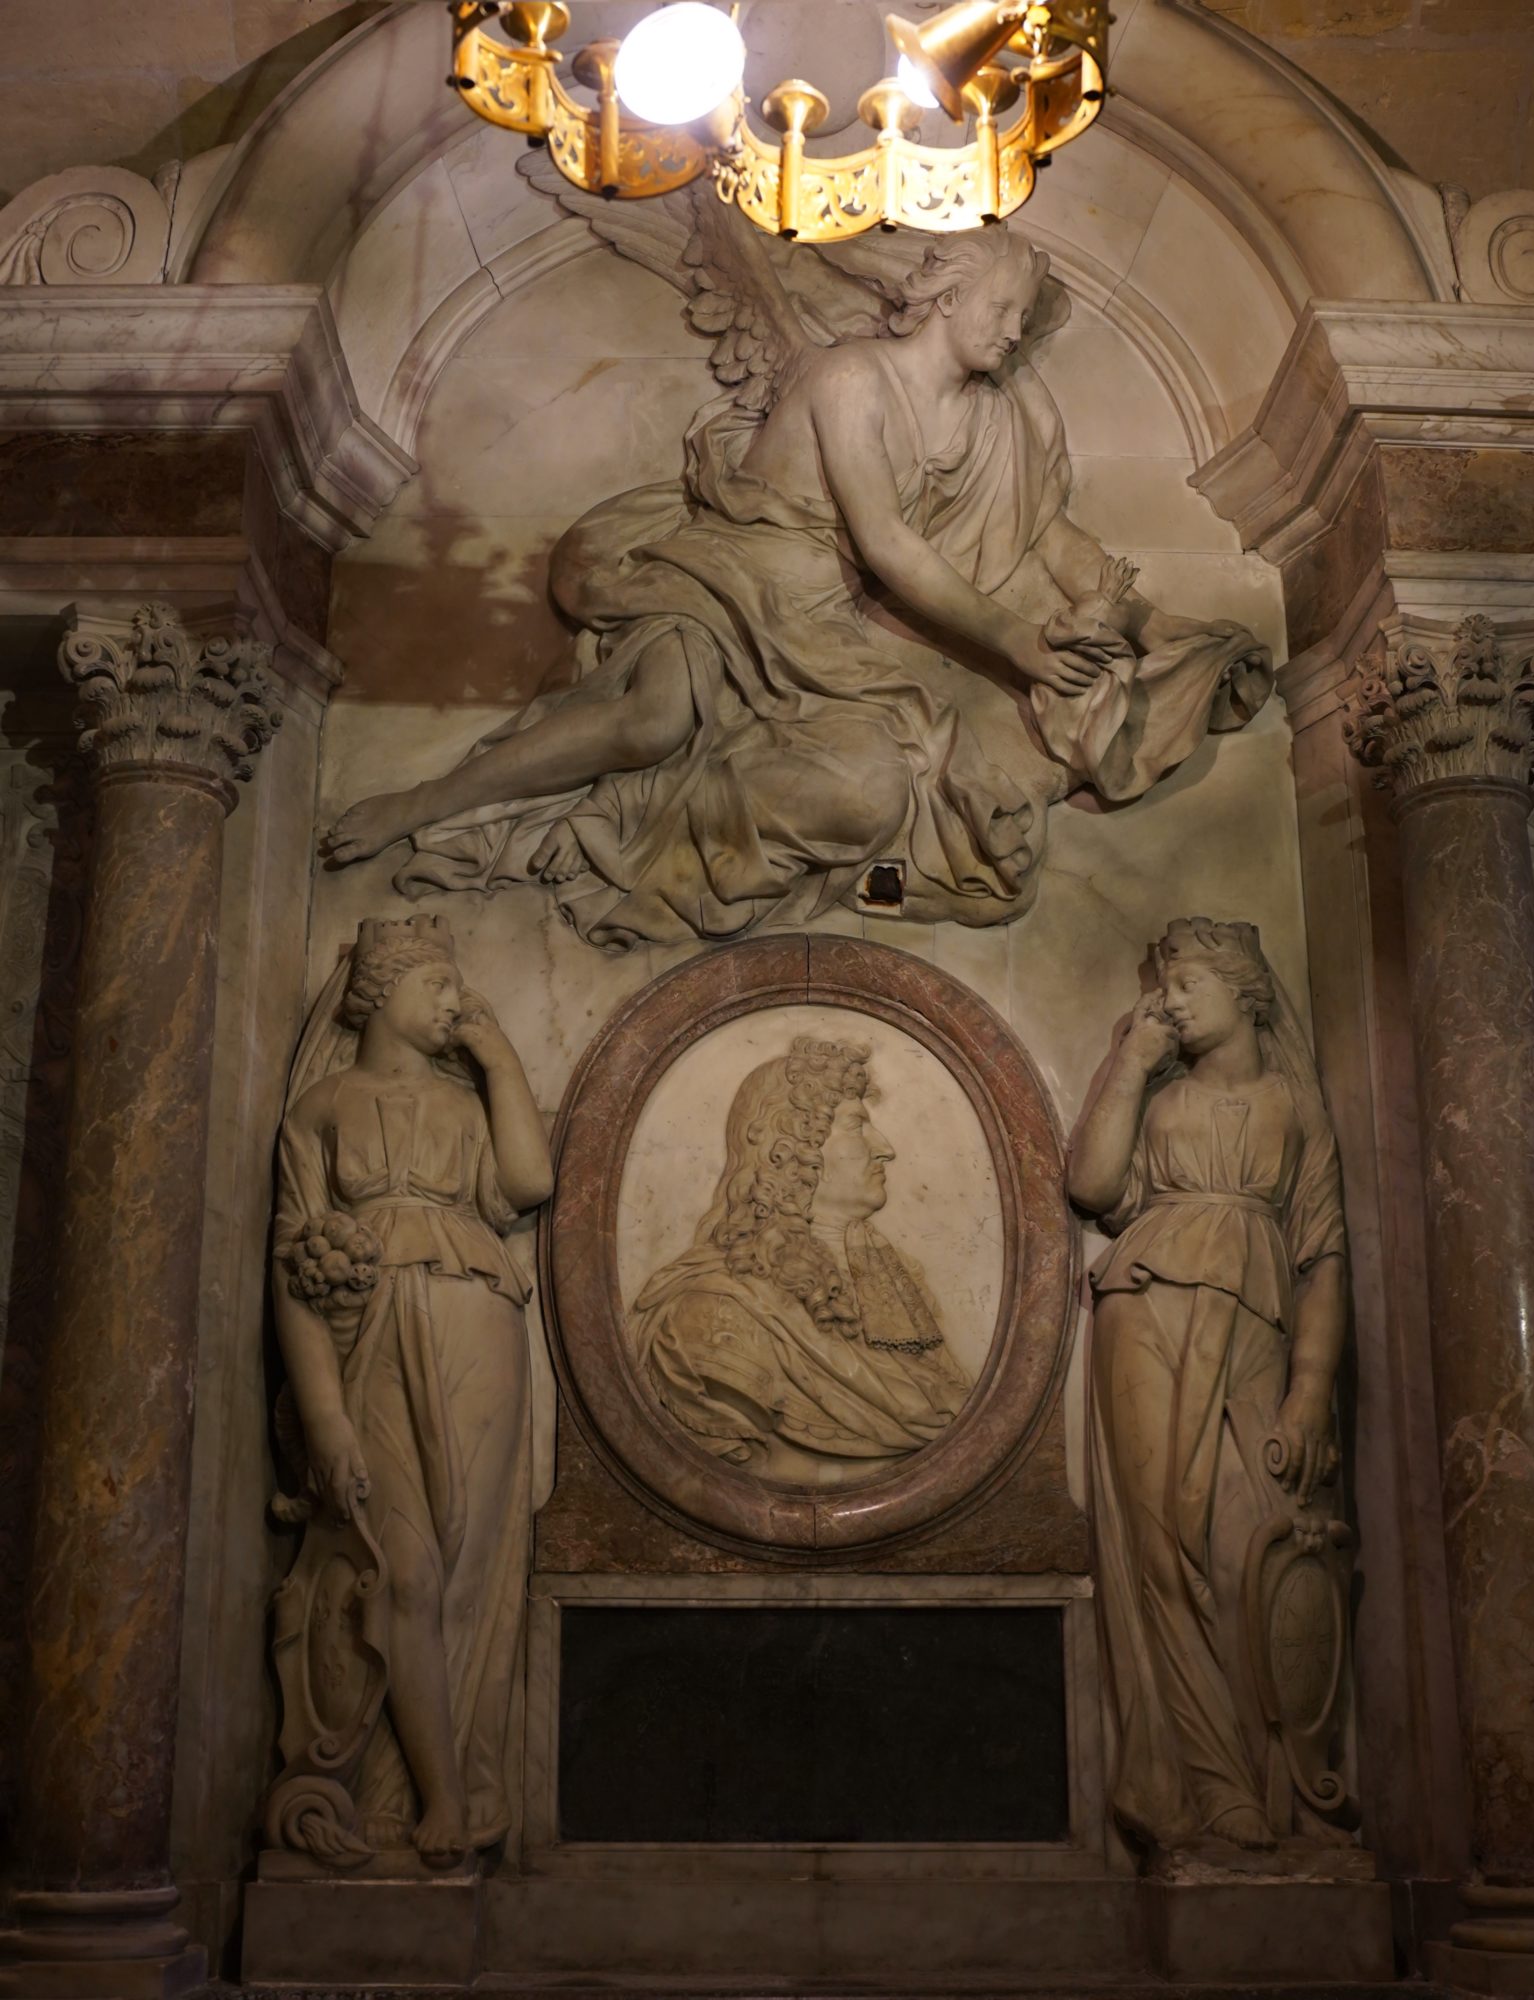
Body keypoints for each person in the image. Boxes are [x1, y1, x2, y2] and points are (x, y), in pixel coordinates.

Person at [324, 225, 1270, 948]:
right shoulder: (850, 375)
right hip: (733, 580)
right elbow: (890, 545)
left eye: (1026, 319)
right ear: (946, 295)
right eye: (1003, 310)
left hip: (831, 629)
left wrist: (1156, 624)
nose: (1016, 333)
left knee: (881, 790)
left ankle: (734, 840)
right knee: (653, 722)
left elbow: (1047, 535)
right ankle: (428, 804)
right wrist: (1018, 644)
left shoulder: (994, 422)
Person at [269, 914, 552, 1865]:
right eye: (437, 985)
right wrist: (325, 1420)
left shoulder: (470, 1109)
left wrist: (500, 1057)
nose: (454, 1002)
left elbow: (527, 1183)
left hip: (480, 1320)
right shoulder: (320, 1108)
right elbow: (293, 1275)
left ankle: (443, 1787)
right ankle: (430, 1793)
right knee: (403, 1568)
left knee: (469, 1563)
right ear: (381, 990)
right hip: (368, 1338)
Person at [1068, 918, 1348, 1852]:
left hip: (1255, 1328)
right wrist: (1131, 1063)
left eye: (1186, 985)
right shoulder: (1156, 1097)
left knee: (1245, 1541)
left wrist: (1311, 1388)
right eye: (1165, 988)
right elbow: (1093, 1184)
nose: (1171, 1002)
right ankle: (1203, 1790)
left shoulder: (1293, 1106)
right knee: (1159, 1547)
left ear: (1246, 992)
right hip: (1144, 1307)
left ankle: (1277, 1782)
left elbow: (1325, 1260)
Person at [632, 1035, 970, 1484]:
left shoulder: (892, 1288)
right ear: (793, 1147)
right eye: (856, 1125)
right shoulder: (715, 1311)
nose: (884, 1147)